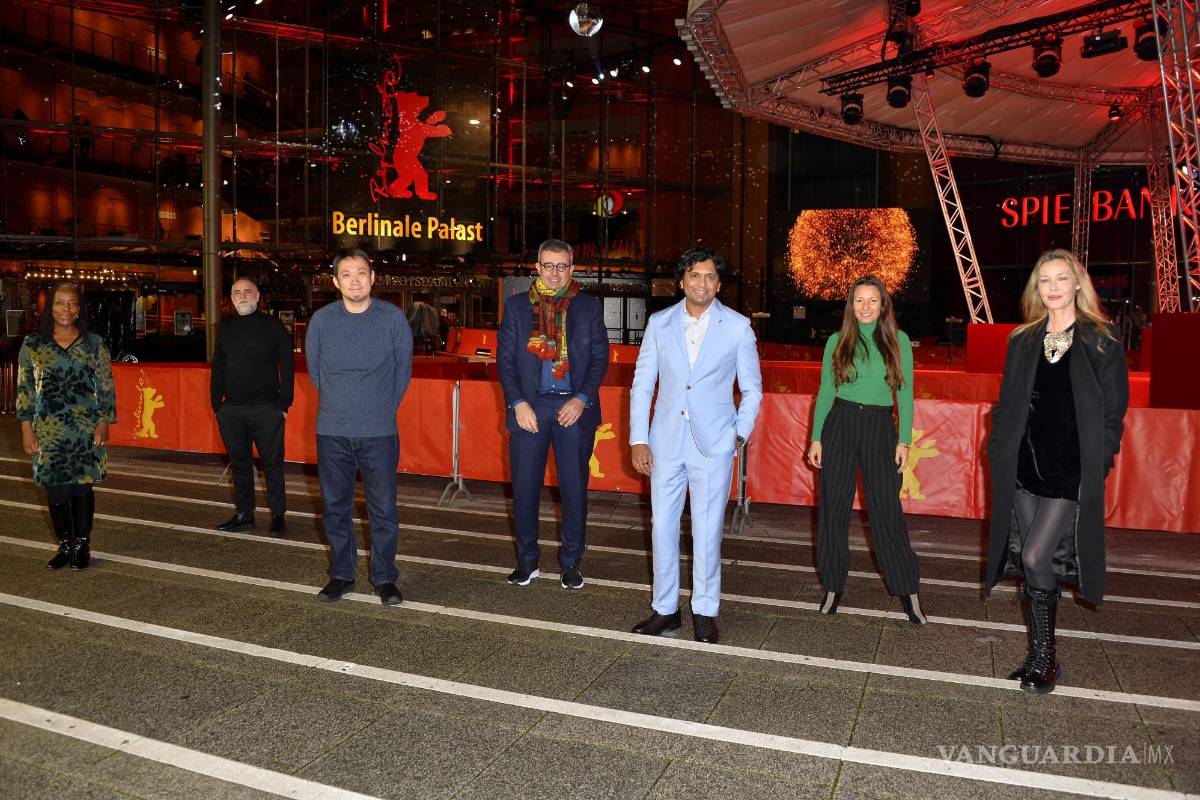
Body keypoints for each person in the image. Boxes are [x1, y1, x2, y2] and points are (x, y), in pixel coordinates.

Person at [986, 249, 1128, 695]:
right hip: (1025, 463)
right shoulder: (1022, 339)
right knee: (1033, 561)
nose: (1052, 287)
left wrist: (1098, 463)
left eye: (1061, 279)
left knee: (1034, 556)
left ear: (1077, 285)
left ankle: (1045, 657)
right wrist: (998, 447)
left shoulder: (1102, 340)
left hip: (1070, 469)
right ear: (1036, 288)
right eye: (1043, 280)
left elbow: (1112, 413)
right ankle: (1040, 653)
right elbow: (1009, 403)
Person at [628, 245, 762, 644]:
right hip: (665, 442)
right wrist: (638, 438)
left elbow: (752, 389)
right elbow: (642, 385)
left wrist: (738, 434)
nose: (702, 283)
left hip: (714, 444)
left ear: (718, 285)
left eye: (710, 277)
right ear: (681, 281)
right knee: (662, 528)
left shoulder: (738, 327)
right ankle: (665, 610)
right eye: (694, 276)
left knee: (707, 532)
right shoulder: (659, 323)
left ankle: (705, 611)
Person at [807, 275, 927, 625]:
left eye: (872, 300)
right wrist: (816, 437)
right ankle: (832, 586)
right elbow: (826, 392)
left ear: (883, 304)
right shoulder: (837, 341)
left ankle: (908, 590)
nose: (865, 307)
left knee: (886, 511)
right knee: (833, 509)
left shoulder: (899, 341)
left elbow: (904, 394)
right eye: (859, 300)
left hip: (879, 427)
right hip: (839, 425)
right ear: (851, 305)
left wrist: (904, 440)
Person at [497, 238, 608, 589]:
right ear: (537, 267)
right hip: (530, 407)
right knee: (525, 487)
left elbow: (599, 360)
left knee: (574, 488)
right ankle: (527, 561)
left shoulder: (588, 307)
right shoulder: (515, 307)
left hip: (573, 407)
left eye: (562, 266)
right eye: (548, 265)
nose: (555, 273)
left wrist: (581, 399)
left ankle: (572, 561)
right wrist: (518, 402)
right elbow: (505, 362)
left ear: (572, 268)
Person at [305, 249, 413, 606]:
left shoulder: (393, 319)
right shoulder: (321, 320)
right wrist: (343, 403)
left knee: (383, 508)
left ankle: (385, 577)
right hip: (332, 428)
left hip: (379, 430)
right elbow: (316, 371)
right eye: (347, 274)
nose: (355, 280)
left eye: (361, 273)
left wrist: (378, 408)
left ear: (372, 277)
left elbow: (402, 373)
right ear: (335, 281)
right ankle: (341, 574)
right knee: (335, 506)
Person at [17, 282, 116, 571]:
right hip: (47, 429)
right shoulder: (33, 344)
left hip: (86, 428)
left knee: (81, 489)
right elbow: (25, 389)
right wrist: (26, 428)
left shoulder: (94, 344)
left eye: (72, 303)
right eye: (59, 303)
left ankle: (82, 545)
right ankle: (65, 544)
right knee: (56, 490)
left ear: (79, 308)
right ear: (50, 308)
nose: (66, 309)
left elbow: (106, 386)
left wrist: (104, 423)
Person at [210, 277, 295, 537]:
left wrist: (284, 404)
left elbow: (288, 366)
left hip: (266, 408)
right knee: (240, 465)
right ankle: (244, 514)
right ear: (231, 298)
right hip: (231, 410)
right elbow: (219, 367)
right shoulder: (225, 327)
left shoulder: (273, 326)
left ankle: (278, 515)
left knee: (272, 464)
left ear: (258, 297)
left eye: (248, 292)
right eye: (237, 292)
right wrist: (217, 405)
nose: (242, 296)